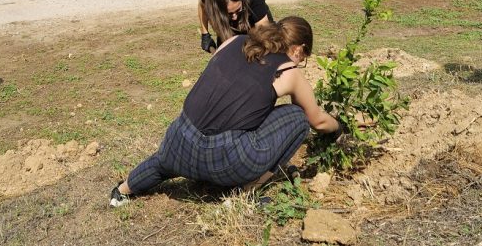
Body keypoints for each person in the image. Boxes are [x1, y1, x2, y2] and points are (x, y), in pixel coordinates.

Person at [109, 16, 341, 207]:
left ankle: (122, 191)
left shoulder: (234, 41)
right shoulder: (288, 71)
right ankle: (247, 192)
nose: (301, 62)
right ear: (299, 49)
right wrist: (340, 128)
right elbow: (318, 121)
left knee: (161, 164)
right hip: (227, 164)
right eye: (304, 57)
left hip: (178, 142)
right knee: (298, 118)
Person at [197, 0, 274, 54]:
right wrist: (205, 34)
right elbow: (201, 4)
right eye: (229, 13)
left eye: (238, 10)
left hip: (254, 24)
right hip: (228, 27)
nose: (235, 17)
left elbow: (264, 35)